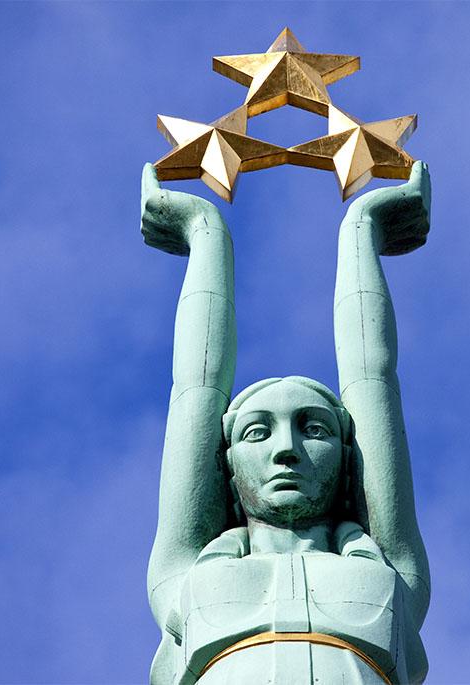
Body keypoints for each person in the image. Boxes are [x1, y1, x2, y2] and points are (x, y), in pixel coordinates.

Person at [142, 161, 432, 684]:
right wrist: (204, 232)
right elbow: (195, 388)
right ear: (226, 465)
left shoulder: (390, 570)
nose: (286, 449)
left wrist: (362, 227)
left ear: (348, 457)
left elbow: (373, 377)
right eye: (257, 431)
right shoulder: (182, 574)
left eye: (314, 428)